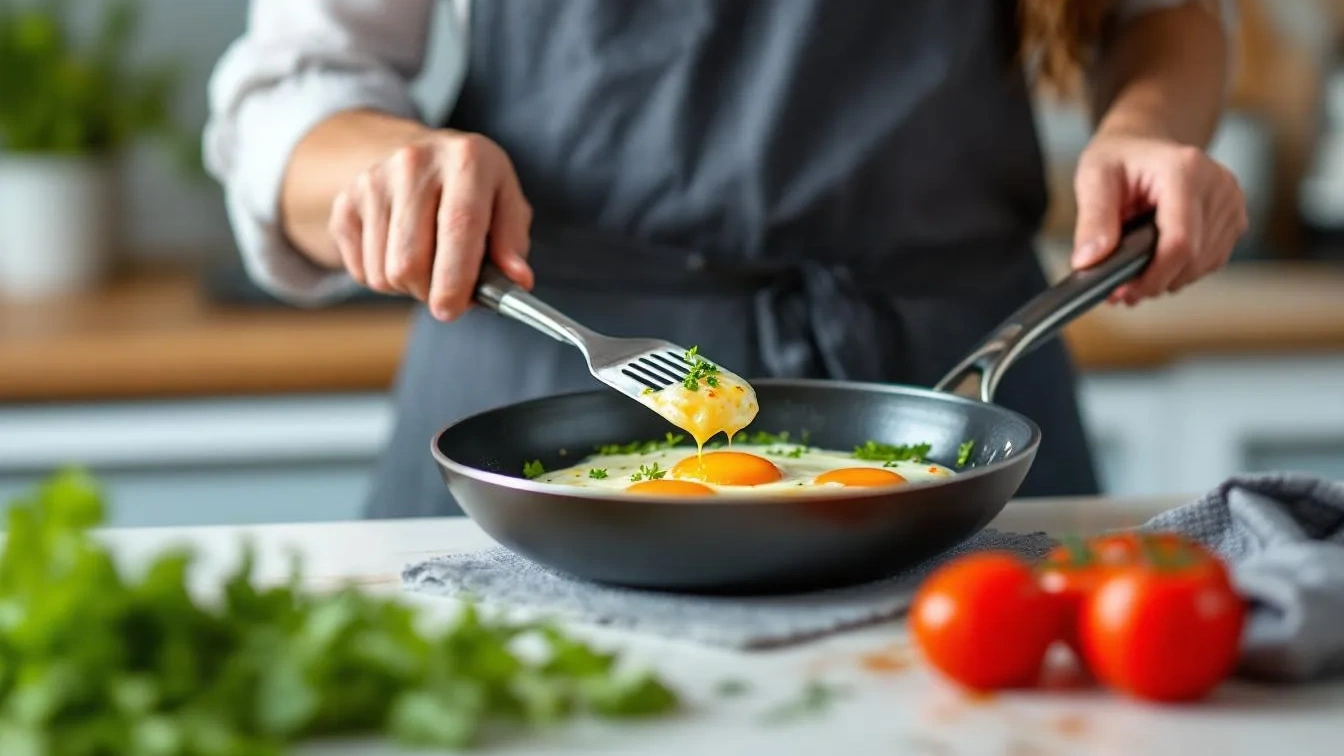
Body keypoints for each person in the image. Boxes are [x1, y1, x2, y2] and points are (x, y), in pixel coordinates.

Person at [205, 0, 1247, 518]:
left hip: (951, 396)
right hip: (542, 400)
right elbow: (295, 92)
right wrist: (388, 168)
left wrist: (1143, 129)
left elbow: (1160, 16)